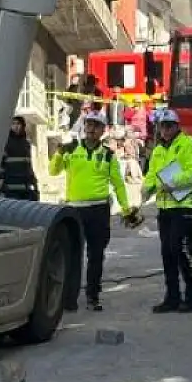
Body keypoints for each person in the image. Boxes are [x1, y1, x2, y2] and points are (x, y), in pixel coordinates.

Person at [50, 112, 130, 312]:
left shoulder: (108, 155)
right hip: (75, 210)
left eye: (96, 126)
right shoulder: (71, 150)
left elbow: (119, 184)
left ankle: (93, 296)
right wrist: (59, 153)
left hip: (99, 210)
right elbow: (53, 171)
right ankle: (69, 299)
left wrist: (127, 209)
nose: (91, 129)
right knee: (72, 256)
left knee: (96, 255)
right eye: (88, 125)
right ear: (84, 127)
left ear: (103, 131)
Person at [143, 108, 192, 313]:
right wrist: (145, 189)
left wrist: (172, 182)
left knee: (179, 249)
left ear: (177, 126)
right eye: (163, 126)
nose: (166, 130)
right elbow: (152, 174)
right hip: (165, 207)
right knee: (167, 253)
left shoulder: (189, 145)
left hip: (184, 205)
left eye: (169, 126)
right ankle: (172, 296)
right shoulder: (159, 150)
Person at [0, 117, 40, 201]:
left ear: (23, 126)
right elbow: (0, 165)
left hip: (25, 191)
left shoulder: (26, 144)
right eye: (13, 124)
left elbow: (29, 166)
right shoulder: (5, 143)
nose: (16, 126)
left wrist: (35, 185)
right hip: (9, 191)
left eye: (18, 124)